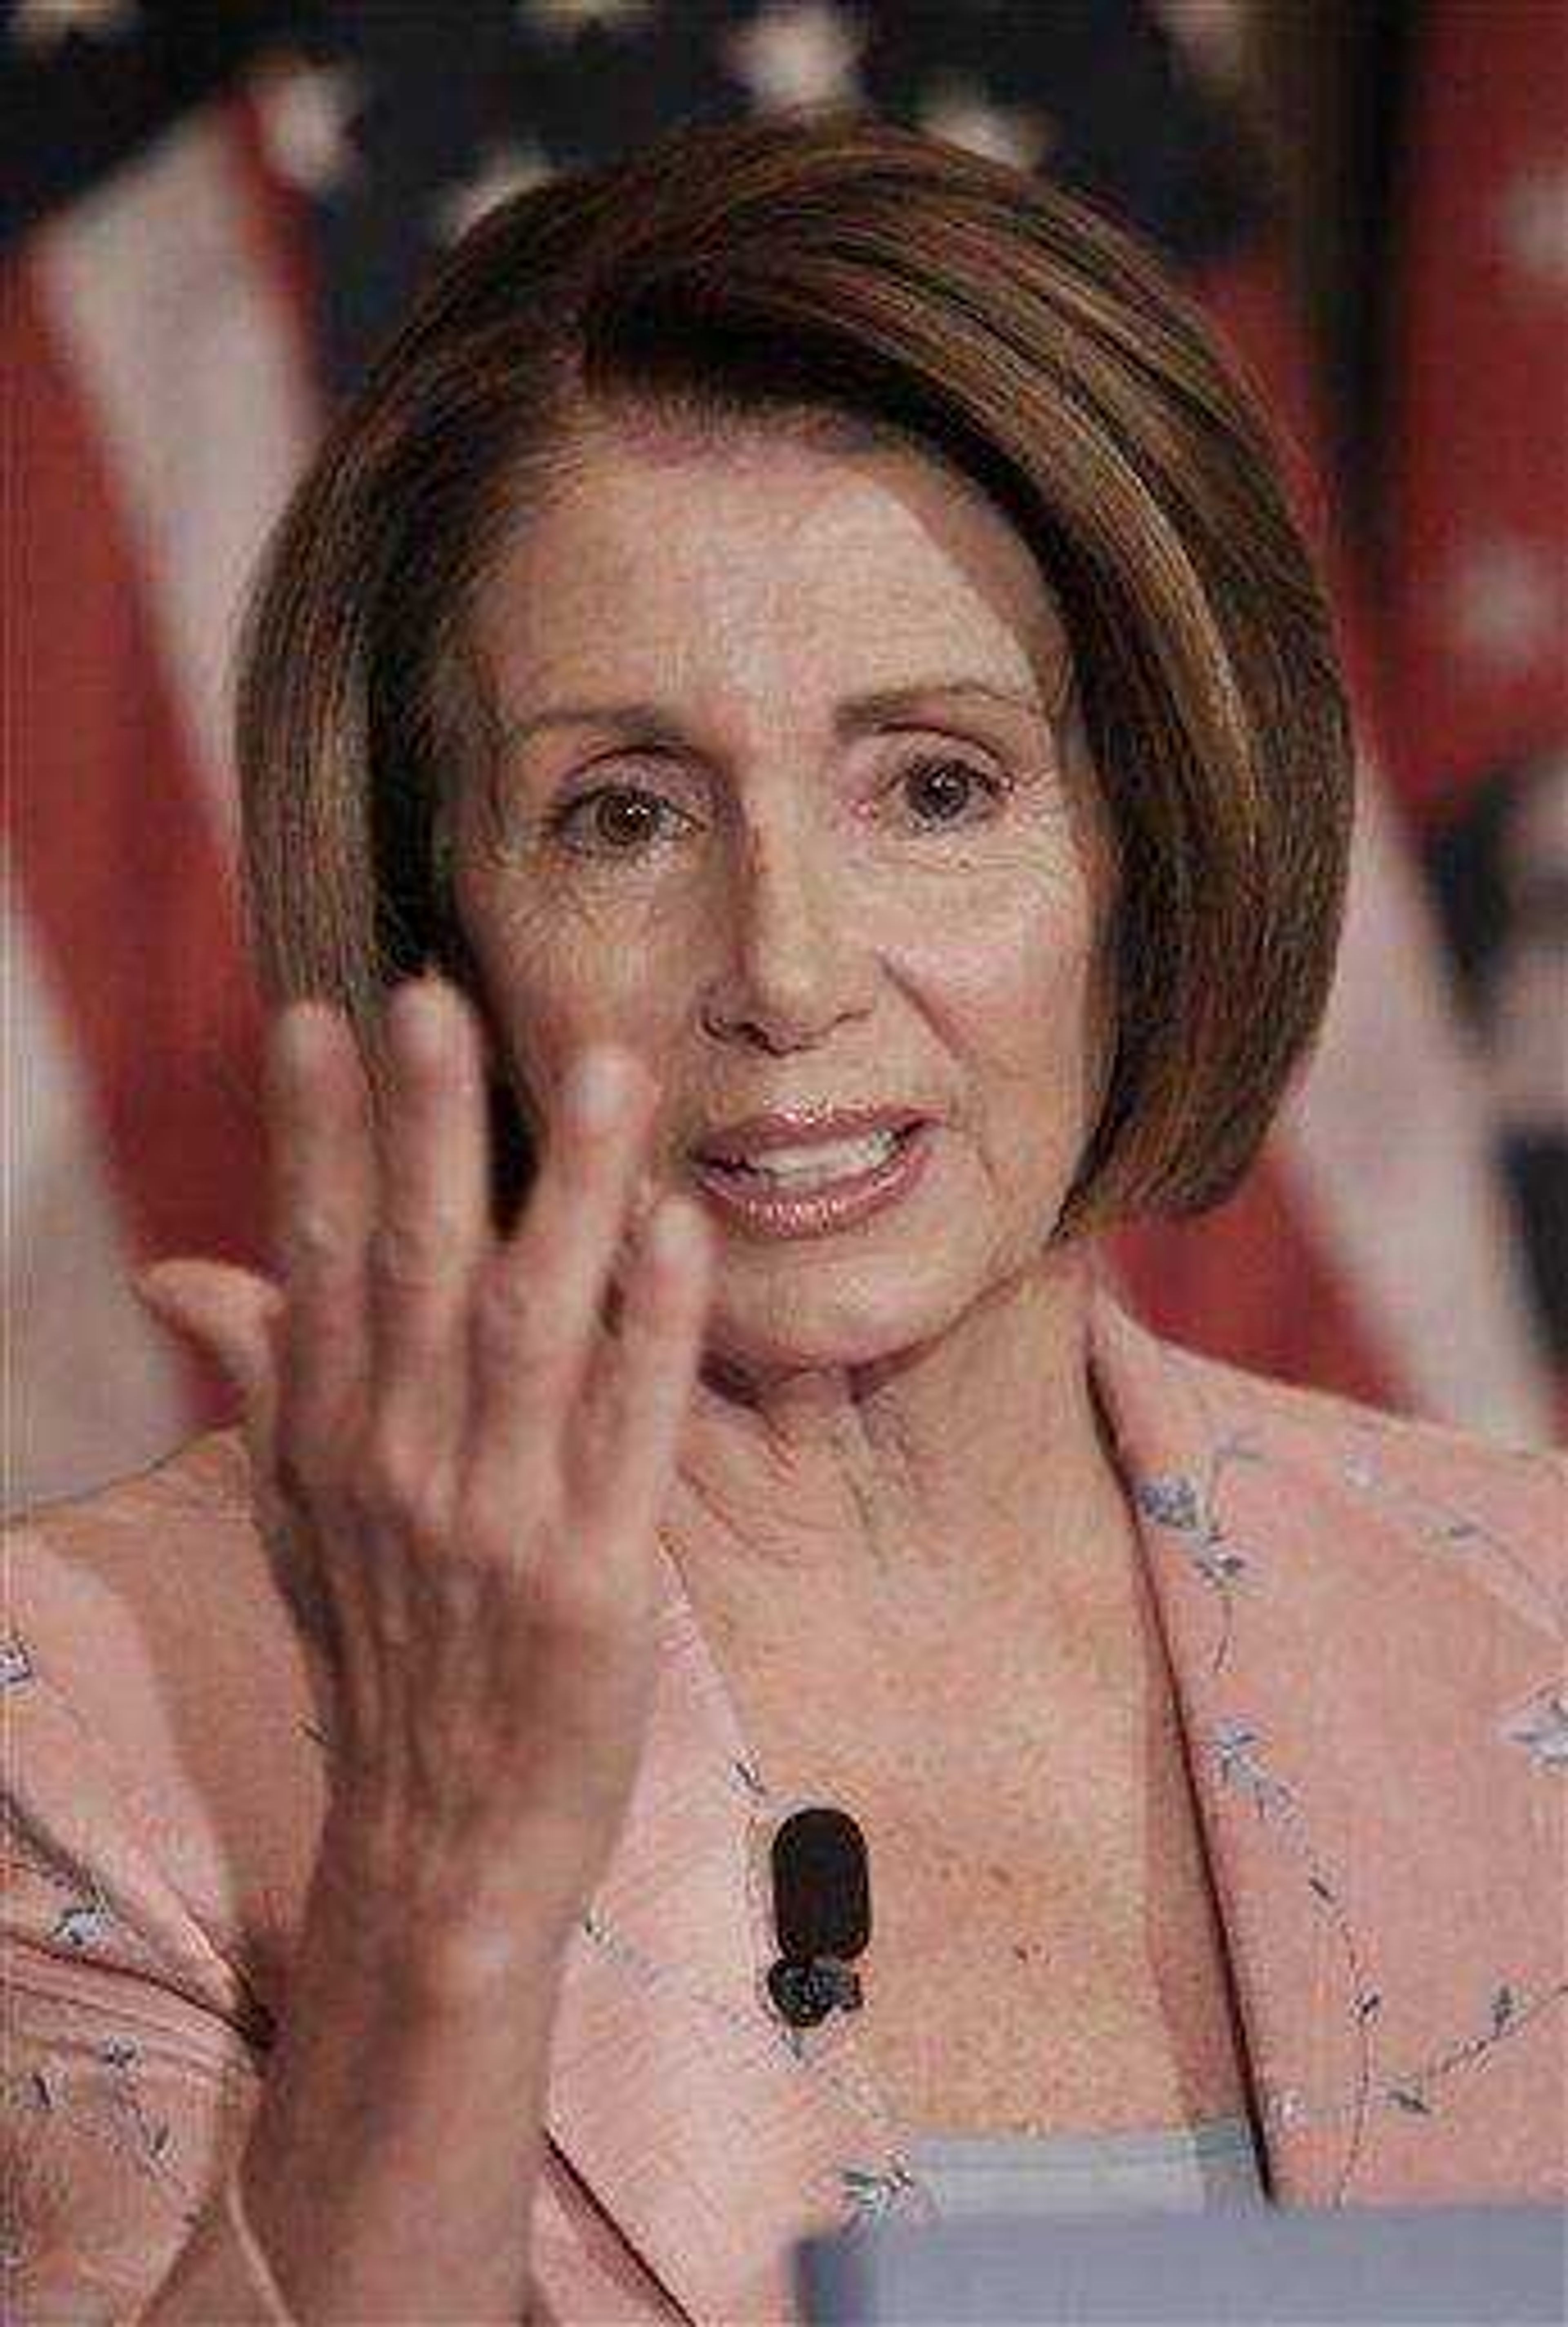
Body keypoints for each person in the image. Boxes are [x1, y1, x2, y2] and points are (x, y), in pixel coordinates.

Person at [3, 106, 1562, 2326]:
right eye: (625, 816)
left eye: (938, 785)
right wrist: (445, 1908)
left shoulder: (1535, 1624)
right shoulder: (97, 1725)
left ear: (1155, 845)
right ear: (449, 917)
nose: (792, 969)